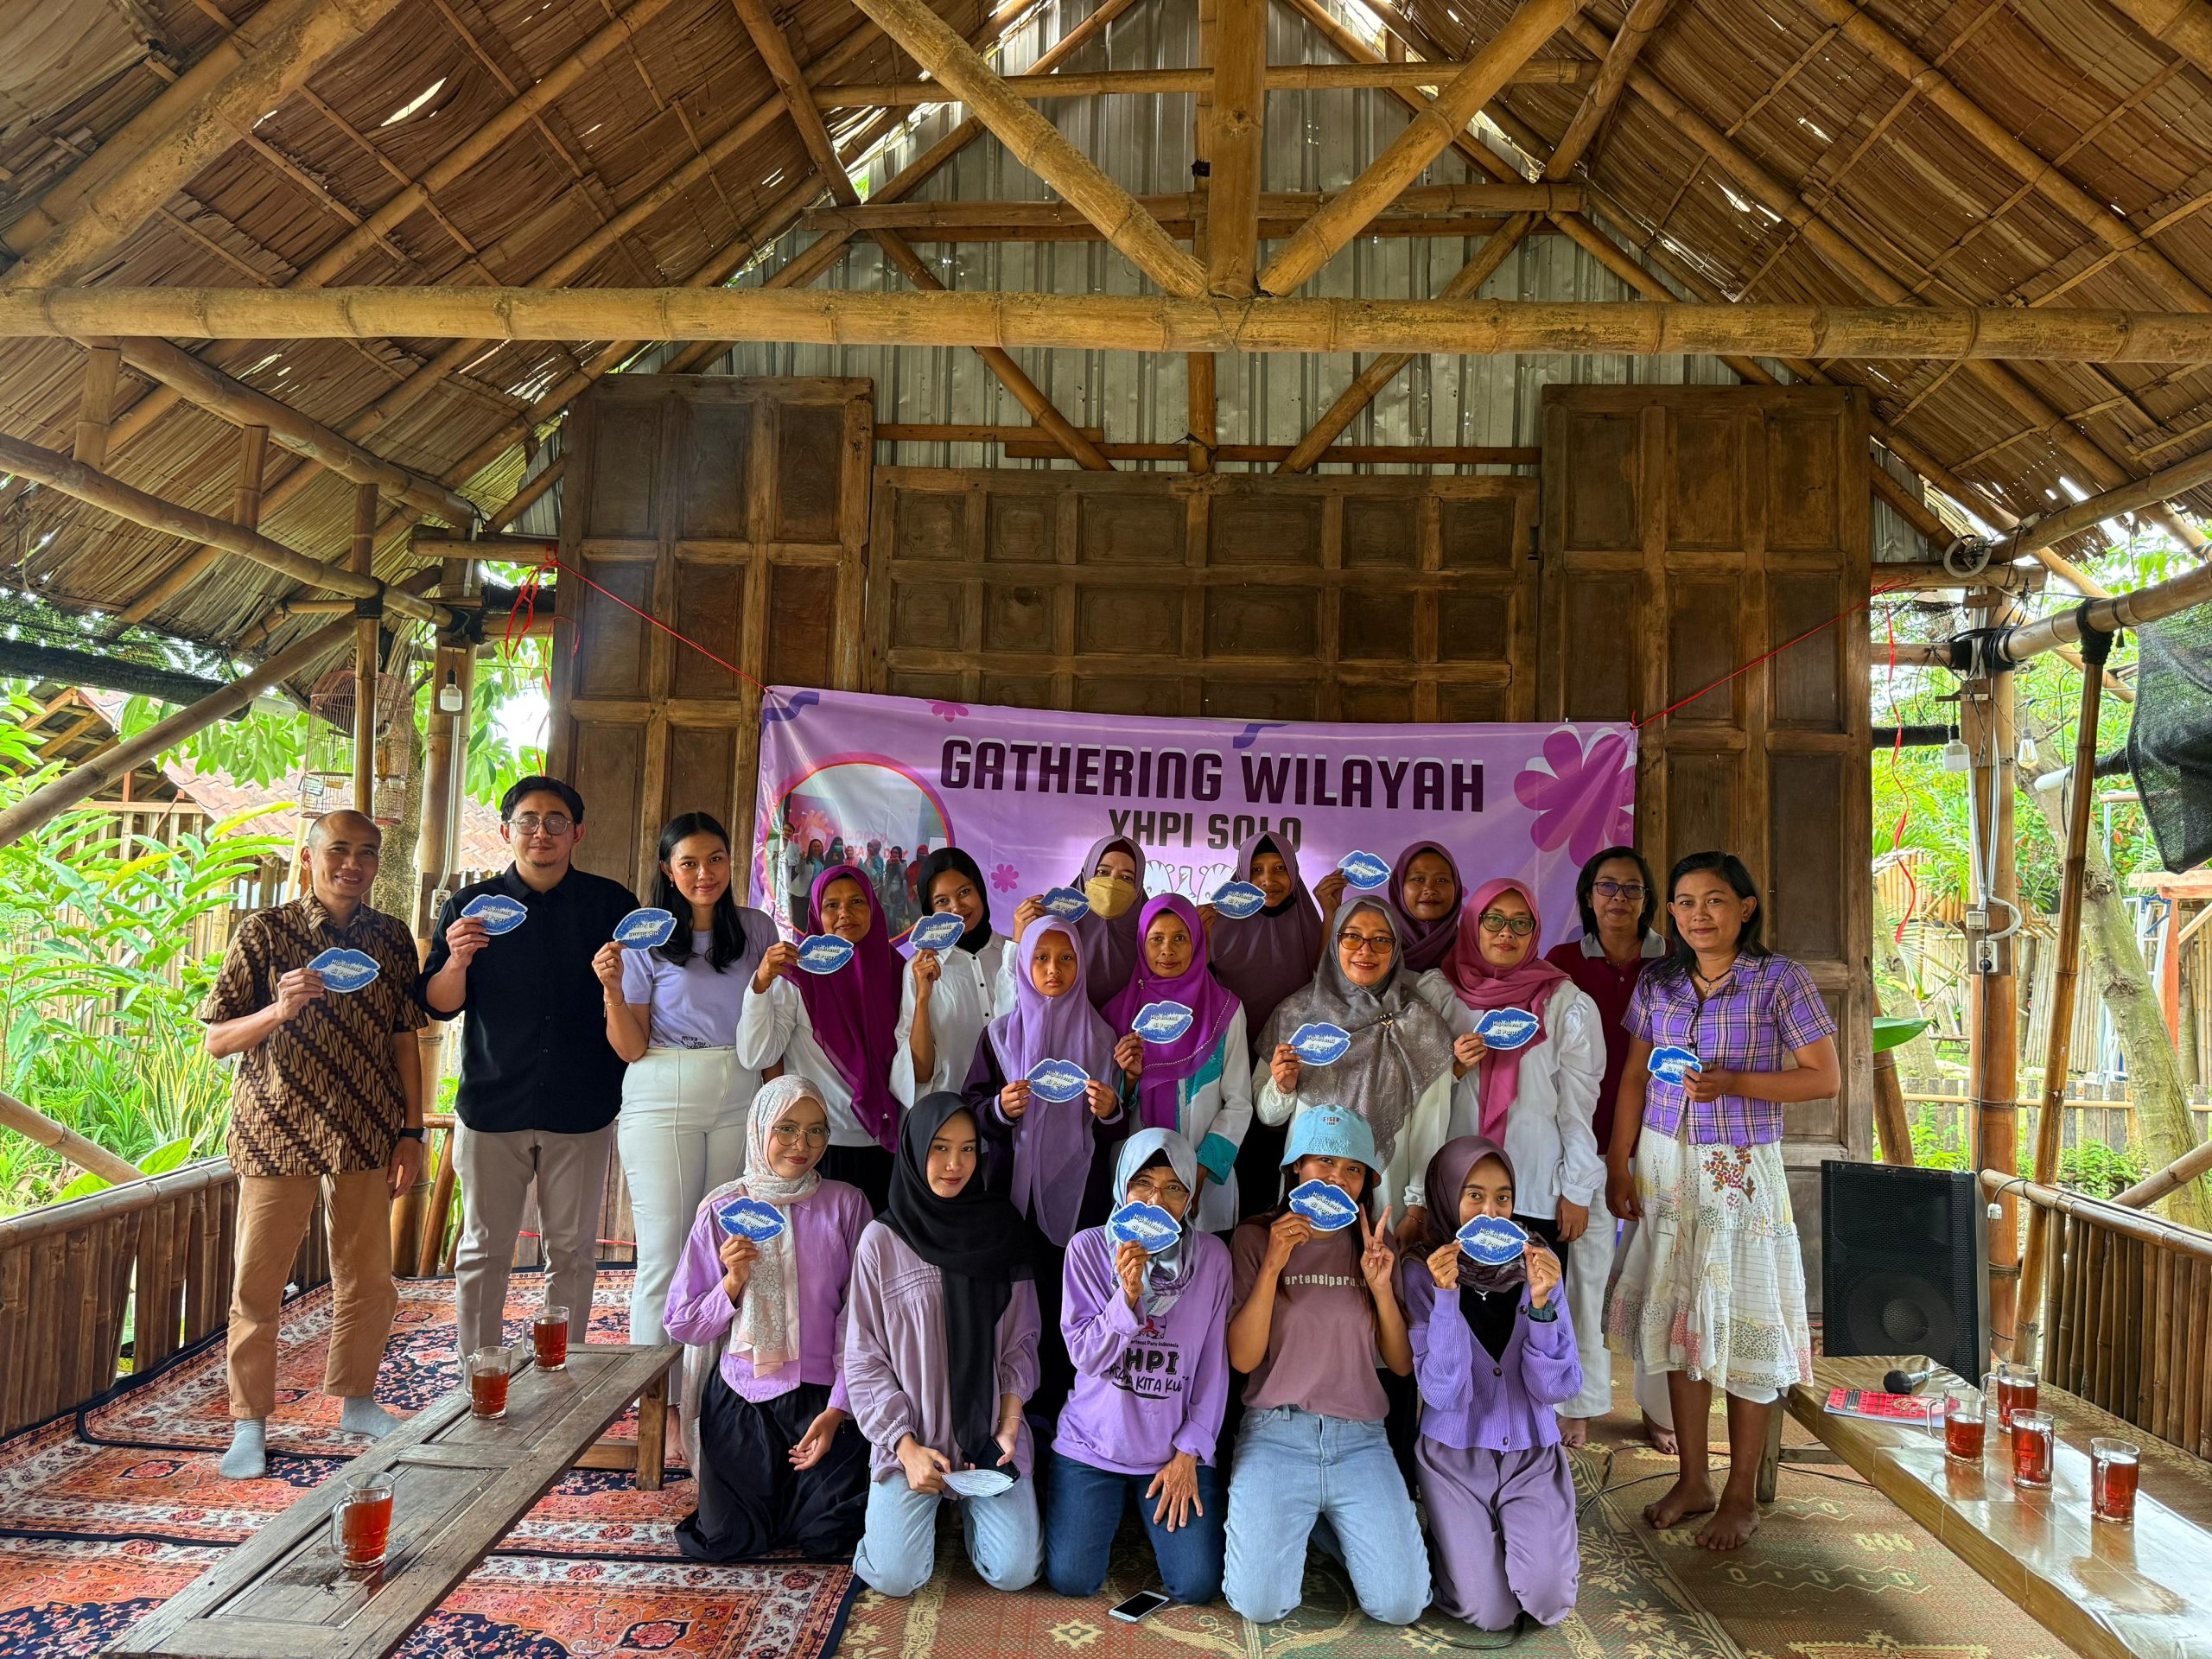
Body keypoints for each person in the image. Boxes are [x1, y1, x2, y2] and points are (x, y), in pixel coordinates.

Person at [1606, 850, 1840, 1551]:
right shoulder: (1659, 982)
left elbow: (1822, 1077)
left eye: (1713, 900)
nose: (1697, 915)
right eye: (1684, 902)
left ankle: (1740, 1492)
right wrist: (1619, 1163)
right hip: (1665, 1163)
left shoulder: (1780, 981)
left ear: (1745, 908)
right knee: (1683, 1318)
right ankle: (1693, 1479)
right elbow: (1633, 1077)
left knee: (1741, 1323)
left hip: (1738, 1168)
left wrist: (1735, 1081)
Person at [200, 810, 426, 1479]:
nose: (352, 864)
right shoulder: (263, 933)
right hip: (276, 1129)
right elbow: (216, 1039)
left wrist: (412, 1131)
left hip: (367, 1128)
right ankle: (249, 1422)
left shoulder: (390, 938)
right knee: (258, 1283)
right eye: (338, 850)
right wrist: (277, 1009)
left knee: (369, 1276)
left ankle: (357, 1400)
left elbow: (404, 1039)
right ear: (309, 857)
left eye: (366, 852)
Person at [422, 777, 638, 1364]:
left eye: (556, 821)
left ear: (577, 833)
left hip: (581, 1105)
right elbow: (440, 1004)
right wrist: (458, 959)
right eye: (528, 821)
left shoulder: (611, 906)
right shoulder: (471, 907)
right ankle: (478, 1372)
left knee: (572, 1252)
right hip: (493, 1103)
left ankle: (558, 1369)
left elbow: (643, 997)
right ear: (506, 831)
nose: (542, 832)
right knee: (483, 1251)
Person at [1222, 1105, 1427, 1626]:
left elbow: (1401, 1365)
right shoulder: (1254, 1237)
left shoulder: (1374, 1244)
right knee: (1259, 1604)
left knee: (1400, 1605)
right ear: (1296, 1166)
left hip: (1359, 1439)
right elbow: (1243, 1358)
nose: (1338, 1177)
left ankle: (1318, 1521)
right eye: (1325, 1162)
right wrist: (1273, 1265)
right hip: (1275, 1434)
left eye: (1354, 1168)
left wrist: (1381, 1288)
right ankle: (1303, 1518)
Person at [593, 812, 777, 1368]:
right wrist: (612, 990)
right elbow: (630, 1047)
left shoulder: (757, 929)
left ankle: (708, 1393)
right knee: (666, 1252)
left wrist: (775, 1101)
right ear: (667, 870)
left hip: (740, 1091)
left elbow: (768, 1026)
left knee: (726, 1249)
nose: (704, 873)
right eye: (689, 863)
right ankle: (657, 1399)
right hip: (662, 1094)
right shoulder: (645, 937)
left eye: (715, 859)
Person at [662, 1077, 872, 1561]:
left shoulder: (846, 1204)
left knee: (829, 1538)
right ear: (760, 1129)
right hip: (743, 1398)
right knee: (728, 1541)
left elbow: (861, 1317)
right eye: (787, 1128)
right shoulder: (722, 1209)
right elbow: (682, 1322)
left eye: (816, 1130)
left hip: (823, 1398)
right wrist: (731, 1283)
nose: (802, 1145)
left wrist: (839, 1408)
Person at [845, 1092, 1046, 1598]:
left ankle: (966, 1512)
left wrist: (1009, 1427)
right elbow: (864, 1359)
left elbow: (1022, 1339)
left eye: (968, 1149)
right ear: (915, 1149)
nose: (955, 1164)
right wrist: (905, 1447)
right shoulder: (881, 1242)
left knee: (1015, 1572)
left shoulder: (1001, 1229)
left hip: (990, 1437)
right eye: (940, 1148)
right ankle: (911, 1510)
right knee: (895, 1577)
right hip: (914, 1438)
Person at [1433, 879, 1603, 1439]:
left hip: (1533, 1189)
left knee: (1533, 1314)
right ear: (1473, 924)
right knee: (1462, 1319)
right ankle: (1459, 1437)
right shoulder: (1438, 995)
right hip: (1459, 1197)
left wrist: (1576, 1188)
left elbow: (1579, 1107)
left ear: (1535, 930)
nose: (1506, 933)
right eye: (1494, 920)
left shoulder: (1564, 1003)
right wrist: (1453, 1067)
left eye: (1521, 923)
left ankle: (1534, 1433)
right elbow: (1413, 1096)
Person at [1047, 1128, 1230, 1606]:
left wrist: (1189, 1452)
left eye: (1174, 1188)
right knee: (1072, 1579)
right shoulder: (1088, 1250)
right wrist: (1126, 1298)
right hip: (1093, 1444)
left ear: (1189, 1199)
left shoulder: (1211, 1259)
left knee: (1196, 1585)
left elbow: (1213, 1367)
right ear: (1122, 1186)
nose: (1156, 1201)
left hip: (1172, 1450)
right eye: (1143, 1184)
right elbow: (1086, 1356)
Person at [1403, 1136, 1580, 1631]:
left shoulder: (1538, 1262)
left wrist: (1542, 1306)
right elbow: (1443, 1394)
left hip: (1530, 1454)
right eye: (1474, 1195)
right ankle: (1455, 1544)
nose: (1491, 1211)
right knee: (1491, 1612)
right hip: (1454, 1459)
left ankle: (1515, 1535)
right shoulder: (1421, 1271)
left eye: (1503, 1197)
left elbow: (1560, 1387)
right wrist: (1446, 1298)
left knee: (1548, 1601)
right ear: (1447, 1196)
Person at [965, 918, 1127, 1419]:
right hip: (1011, 1197)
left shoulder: (1102, 1039)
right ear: (1024, 965)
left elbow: (1115, 1133)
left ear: (1081, 965)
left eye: (1066, 958)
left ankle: (1066, 1410)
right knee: (1016, 1301)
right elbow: (971, 1109)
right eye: (1041, 958)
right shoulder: (998, 1037)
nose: (1053, 969)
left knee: (1069, 1300)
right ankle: (1014, 1411)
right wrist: (999, 1109)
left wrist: (1110, 1111)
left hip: (1080, 1199)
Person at [1546, 846, 1675, 1452]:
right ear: (1588, 897)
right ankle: (1580, 1401)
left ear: (1648, 899)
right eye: (1607, 887)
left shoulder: (1674, 964)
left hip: (1667, 1140)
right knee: (1585, 1276)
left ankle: (1661, 1407)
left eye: (1631, 888)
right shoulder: (1562, 964)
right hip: (1586, 1142)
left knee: (1663, 1278)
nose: (1618, 898)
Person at [1252, 899, 1457, 1224]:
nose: (1366, 950)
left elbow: (1430, 1125)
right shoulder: (1295, 1014)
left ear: (1395, 947)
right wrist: (1282, 1087)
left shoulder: (1421, 1023)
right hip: (1310, 1193)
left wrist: (1417, 1208)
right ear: (1335, 942)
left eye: (1381, 939)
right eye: (1352, 937)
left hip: (1388, 1195)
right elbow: (1268, 1116)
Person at [738, 866, 903, 1211]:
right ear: (816, 912)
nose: (845, 913)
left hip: (888, 1141)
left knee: (878, 1241)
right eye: (832, 905)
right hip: (819, 1144)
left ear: (873, 908)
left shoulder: (898, 971)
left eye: (857, 901)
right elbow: (756, 1056)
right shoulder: (797, 975)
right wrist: (762, 983)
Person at [1102, 894, 1251, 1234]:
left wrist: (1199, 1171)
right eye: (1156, 939)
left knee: (1206, 1261)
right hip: (1138, 1184)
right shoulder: (1119, 1015)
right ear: (1142, 943)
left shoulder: (1225, 1010)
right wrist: (1129, 1079)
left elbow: (1239, 1102)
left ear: (1197, 942)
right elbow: (1107, 1112)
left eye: (1180, 938)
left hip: (1205, 1178)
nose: (1167, 950)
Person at [1205, 833, 1325, 1224]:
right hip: (1225, 1073)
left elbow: (1325, 982)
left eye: (1279, 869)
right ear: (1241, 875)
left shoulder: (1308, 922)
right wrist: (1200, 939)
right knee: (1224, 1174)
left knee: (1270, 1181)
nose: (1268, 880)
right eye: (1256, 870)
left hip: (1284, 1076)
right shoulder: (1217, 926)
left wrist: (1330, 912)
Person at [895, 848, 1014, 1107]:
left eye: (964, 892)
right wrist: (922, 999)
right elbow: (920, 1073)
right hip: (949, 1117)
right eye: (942, 901)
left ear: (980, 890)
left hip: (1010, 1114)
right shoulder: (920, 969)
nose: (957, 907)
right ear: (929, 909)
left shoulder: (1013, 955)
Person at [1013, 835, 1145, 1007]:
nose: (1112, 883)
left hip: (1131, 1023)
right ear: (1086, 874)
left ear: (1138, 885)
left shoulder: (1154, 932)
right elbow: (1021, 996)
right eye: (1103, 872)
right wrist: (1020, 940)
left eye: (1127, 878)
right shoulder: (1054, 926)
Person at [1315, 840, 1463, 978]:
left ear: (1456, 888)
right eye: (1418, 879)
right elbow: (1326, 983)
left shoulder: (1471, 948)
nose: (1429, 889)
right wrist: (1331, 914)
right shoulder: (1369, 943)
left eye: (1441, 880)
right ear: (1398, 887)